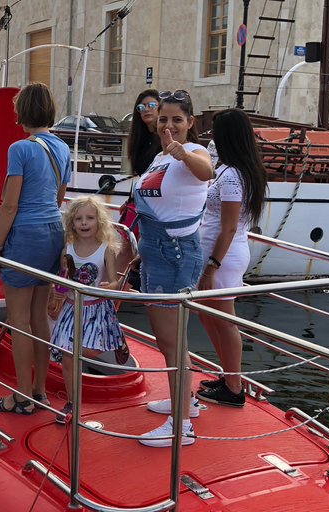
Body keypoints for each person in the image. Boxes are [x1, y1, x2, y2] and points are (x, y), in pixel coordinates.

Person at [134, 90, 213, 448]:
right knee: (167, 340)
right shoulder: (159, 158)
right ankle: (187, 401)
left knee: (172, 342)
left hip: (175, 253)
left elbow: (206, 171)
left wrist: (182, 151)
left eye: (177, 120)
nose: (169, 125)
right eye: (163, 119)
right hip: (155, 251)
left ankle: (180, 426)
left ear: (190, 123)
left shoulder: (194, 152)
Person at [0, 83, 70, 414]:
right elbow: (60, 197)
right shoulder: (62, 148)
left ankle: (21, 395)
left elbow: (9, 205)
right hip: (53, 231)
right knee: (38, 316)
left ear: (24, 110)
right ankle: (39, 390)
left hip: (25, 234)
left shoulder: (19, 149)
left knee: (19, 318)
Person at [195, 108, 267, 407]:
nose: (212, 138)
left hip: (222, 257)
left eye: (215, 133)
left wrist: (211, 268)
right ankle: (228, 376)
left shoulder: (234, 175)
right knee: (206, 314)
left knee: (225, 320)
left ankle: (235, 387)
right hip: (214, 253)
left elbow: (230, 226)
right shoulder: (232, 169)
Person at [47, 196, 123, 421]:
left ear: (99, 221)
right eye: (79, 218)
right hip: (72, 307)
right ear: (72, 223)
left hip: (96, 309)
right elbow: (62, 279)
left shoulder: (106, 250)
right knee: (69, 356)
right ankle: (72, 402)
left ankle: (118, 341)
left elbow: (115, 281)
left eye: (90, 218)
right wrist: (56, 294)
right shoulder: (67, 250)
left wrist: (111, 285)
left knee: (89, 351)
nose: (84, 223)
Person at [116, 89, 162, 283]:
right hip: (139, 203)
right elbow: (142, 176)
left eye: (151, 105)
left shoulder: (166, 140)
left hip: (156, 206)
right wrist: (131, 198)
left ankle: (118, 289)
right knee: (126, 248)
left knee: (141, 252)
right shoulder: (141, 139)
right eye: (141, 107)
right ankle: (113, 292)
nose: (146, 110)